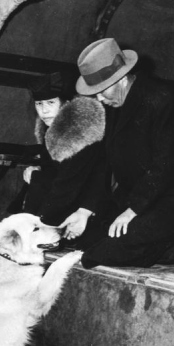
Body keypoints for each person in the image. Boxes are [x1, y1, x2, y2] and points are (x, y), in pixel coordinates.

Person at [75, 38, 174, 268]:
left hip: (168, 201)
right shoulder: (114, 105)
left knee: (102, 254)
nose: (98, 98)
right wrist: (85, 210)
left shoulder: (164, 100)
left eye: (102, 90)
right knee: (86, 240)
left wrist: (132, 210)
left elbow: (166, 167)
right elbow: (103, 164)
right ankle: (167, 248)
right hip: (134, 199)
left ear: (122, 78)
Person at [22, 71, 110, 245]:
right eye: (39, 103)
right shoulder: (52, 127)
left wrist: (42, 223)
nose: (44, 110)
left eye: (51, 102)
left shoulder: (80, 131)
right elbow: (54, 171)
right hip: (69, 198)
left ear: (66, 104)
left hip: (91, 205)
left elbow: (68, 184)